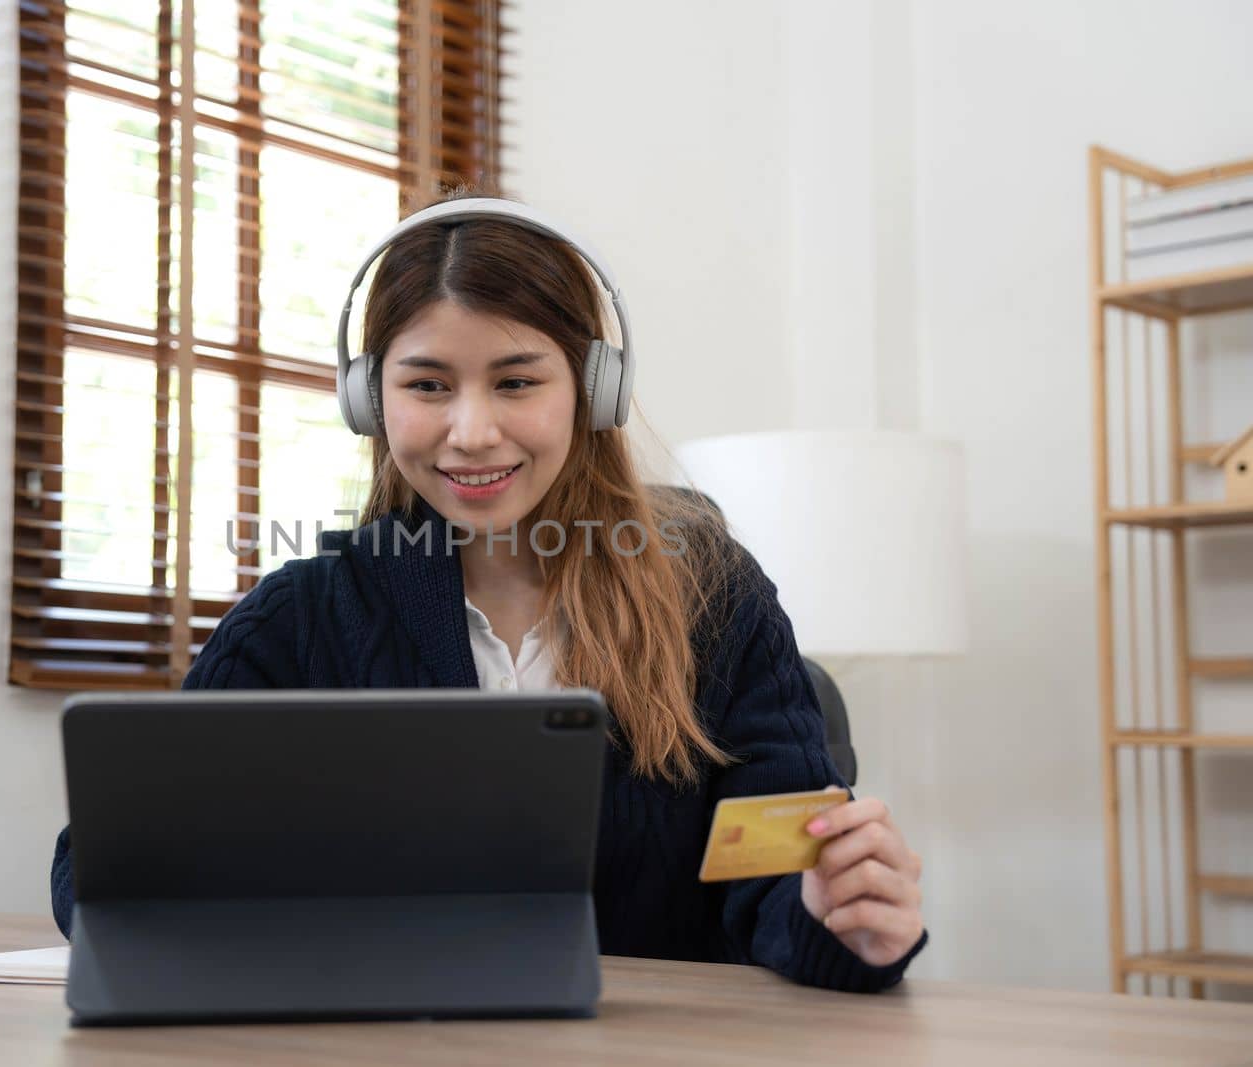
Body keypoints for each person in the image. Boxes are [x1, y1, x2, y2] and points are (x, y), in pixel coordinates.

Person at [51, 193, 928, 992]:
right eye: (427, 384)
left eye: (516, 381)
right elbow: (96, 872)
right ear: (369, 399)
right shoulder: (300, 618)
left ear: (593, 388)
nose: (472, 432)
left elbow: (776, 887)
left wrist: (835, 916)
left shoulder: (715, 597)